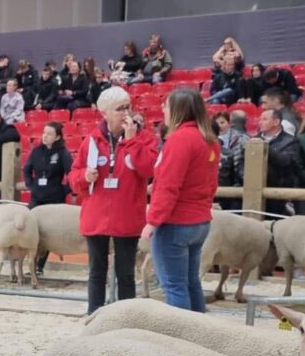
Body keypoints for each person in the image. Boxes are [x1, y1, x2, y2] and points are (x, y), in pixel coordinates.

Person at [69, 87, 156, 314]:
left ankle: (126, 319)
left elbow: (148, 168)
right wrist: (83, 177)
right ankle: (94, 315)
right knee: (96, 271)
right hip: (96, 215)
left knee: (125, 273)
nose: (126, 113)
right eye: (120, 109)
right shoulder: (91, 141)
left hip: (127, 216)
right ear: (104, 113)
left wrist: (131, 141)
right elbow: (73, 175)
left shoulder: (144, 138)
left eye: (128, 106)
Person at [142, 89, 219, 312]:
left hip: (176, 222)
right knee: (190, 282)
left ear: (177, 109)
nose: (163, 110)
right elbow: (211, 184)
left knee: (174, 286)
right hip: (200, 221)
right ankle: (198, 330)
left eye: (166, 105)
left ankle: (180, 337)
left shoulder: (179, 140)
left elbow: (168, 185)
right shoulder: (209, 140)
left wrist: (153, 220)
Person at [22, 121, 73, 274]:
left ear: (57, 137)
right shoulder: (37, 151)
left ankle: (39, 266)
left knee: (48, 233)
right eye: (44, 133)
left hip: (54, 199)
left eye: (49, 134)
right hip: (37, 197)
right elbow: (27, 169)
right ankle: (31, 262)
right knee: (31, 229)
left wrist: (65, 190)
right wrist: (31, 184)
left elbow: (72, 173)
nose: (45, 136)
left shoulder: (63, 153)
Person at [245, 107, 300, 217]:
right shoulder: (253, 139)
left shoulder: (291, 141)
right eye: (260, 119)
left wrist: (264, 147)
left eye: (264, 119)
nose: (260, 122)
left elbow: (285, 162)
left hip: (278, 192)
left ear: (276, 122)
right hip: (253, 189)